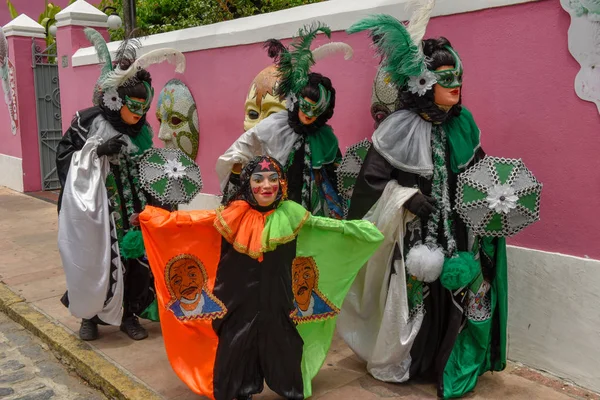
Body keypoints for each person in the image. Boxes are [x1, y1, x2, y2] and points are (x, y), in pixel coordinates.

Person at [336, 6, 508, 399]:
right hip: (413, 236)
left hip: (461, 231)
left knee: (460, 291)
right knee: (418, 299)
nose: (457, 84)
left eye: (458, 76)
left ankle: (453, 361)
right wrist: (407, 197)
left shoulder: (464, 124)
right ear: (422, 82)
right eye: (446, 78)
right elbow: (370, 185)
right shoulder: (396, 129)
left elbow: (478, 171)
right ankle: (417, 360)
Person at [140, 155, 383, 400]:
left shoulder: (292, 216)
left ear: (282, 184)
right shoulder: (231, 216)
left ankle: (290, 386)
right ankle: (237, 387)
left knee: (284, 342)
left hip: (279, 299)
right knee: (235, 343)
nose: (266, 186)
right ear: (248, 183)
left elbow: (324, 228)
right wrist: (156, 220)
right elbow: (194, 223)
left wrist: (358, 232)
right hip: (236, 300)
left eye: (272, 179)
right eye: (258, 179)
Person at [56, 28, 185, 341]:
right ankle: (89, 316)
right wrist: (97, 151)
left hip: (133, 206)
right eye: (133, 106)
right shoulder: (85, 122)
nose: (138, 114)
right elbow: (64, 156)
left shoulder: (141, 132)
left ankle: (129, 315)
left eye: (144, 107)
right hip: (96, 208)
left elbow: (146, 165)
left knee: (134, 260)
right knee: (91, 260)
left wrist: (164, 190)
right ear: (115, 100)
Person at [217, 23, 353, 219]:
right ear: (296, 102)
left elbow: (335, 170)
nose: (309, 115)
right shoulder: (274, 125)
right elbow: (246, 146)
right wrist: (237, 167)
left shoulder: (325, 136)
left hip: (313, 203)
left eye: (317, 111)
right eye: (306, 107)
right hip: (276, 198)